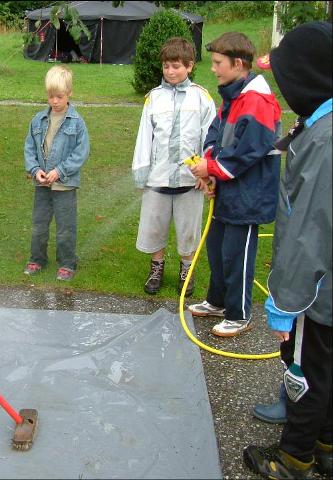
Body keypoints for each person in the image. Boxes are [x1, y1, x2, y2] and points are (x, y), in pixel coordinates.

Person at [243, 21, 332, 479]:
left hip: (317, 293)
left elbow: (308, 234)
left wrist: (286, 302)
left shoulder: (325, 141)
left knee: (304, 372)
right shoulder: (319, 125)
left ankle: (293, 458)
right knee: (326, 368)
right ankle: (326, 446)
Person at [187, 32, 282, 337]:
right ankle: (217, 301)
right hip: (229, 189)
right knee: (216, 248)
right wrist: (208, 167)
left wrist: (212, 168)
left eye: (218, 63)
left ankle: (239, 314)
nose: (213, 68)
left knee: (236, 255)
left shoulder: (257, 100)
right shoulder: (233, 95)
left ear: (238, 64)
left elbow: (249, 150)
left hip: (248, 194)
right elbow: (215, 133)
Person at [131, 37, 216, 296]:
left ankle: (186, 270)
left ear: (189, 66)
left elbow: (210, 137)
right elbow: (145, 137)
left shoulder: (201, 98)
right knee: (154, 225)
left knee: (188, 229)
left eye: (176, 66)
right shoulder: (154, 99)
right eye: (166, 66)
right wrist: (142, 172)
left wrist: (207, 170)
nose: (170, 71)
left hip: (191, 180)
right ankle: (156, 268)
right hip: (157, 179)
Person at [23, 65, 90, 281]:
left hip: (65, 185)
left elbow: (81, 153)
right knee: (39, 225)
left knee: (65, 227)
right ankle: (37, 259)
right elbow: (29, 148)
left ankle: (67, 263)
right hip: (42, 184)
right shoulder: (38, 120)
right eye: (51, 96)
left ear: (69, 93)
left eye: (59, 96)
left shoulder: (77, 123)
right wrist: (35, 170)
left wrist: (59, 171)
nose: (54, 101)